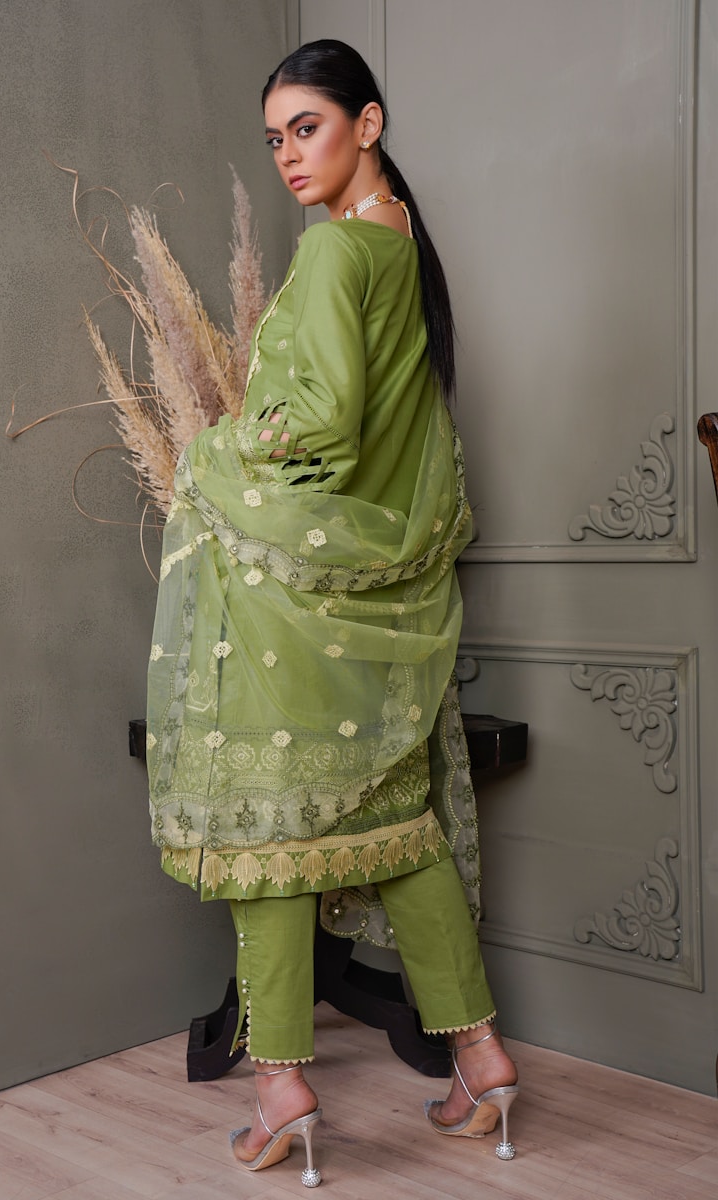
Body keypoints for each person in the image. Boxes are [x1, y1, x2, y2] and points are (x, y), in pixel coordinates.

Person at [146, 38, 518, 1188]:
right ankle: (480, 1059)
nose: (287, 157)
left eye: (305, 127)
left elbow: (325, 424)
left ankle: (278, 1086)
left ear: (369, 120)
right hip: (385, 602)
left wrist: (211, 452)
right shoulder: (401, 247)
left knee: (268, 835)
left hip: (301, 603)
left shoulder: (330, 256)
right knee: (395, 827)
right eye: (273, 139)